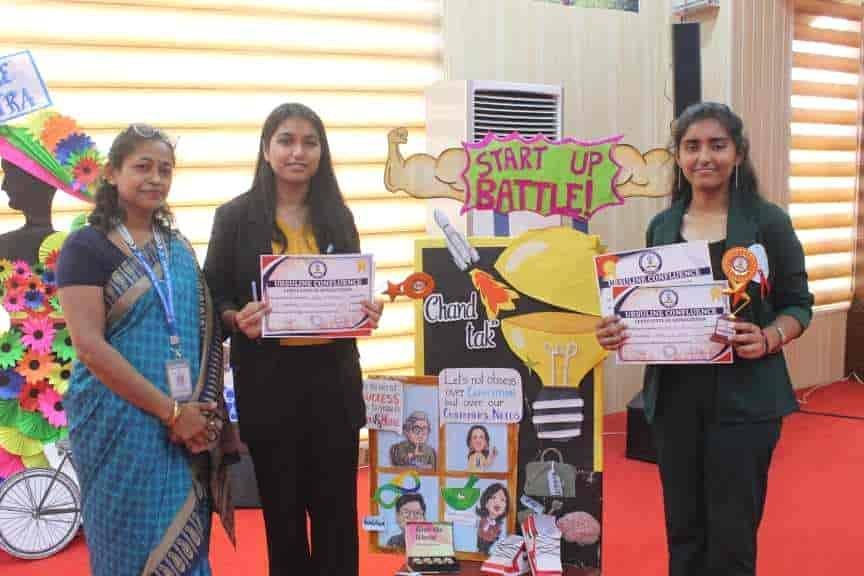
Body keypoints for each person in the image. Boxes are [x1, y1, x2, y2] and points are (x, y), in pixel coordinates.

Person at [595, 102, 813, 576]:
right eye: (692, 146)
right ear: (678, 156)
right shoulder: (662, 226)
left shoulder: (767, 222)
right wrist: (619, 330)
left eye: (717, 145)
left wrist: (770, 336)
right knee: (684, 532)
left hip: (746, 402)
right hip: (675, 402)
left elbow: (799, 304)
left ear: (738, 153)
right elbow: (648, 305)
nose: (704, 157)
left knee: (733, 538)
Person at [203, 102, 383, 576]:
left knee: (336, 514)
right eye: (286, 140)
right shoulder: (234, 217)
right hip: (269, 384)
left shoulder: (338, 216)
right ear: (266, 149)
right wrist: (235, 317)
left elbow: (351, 286)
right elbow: (213, 295)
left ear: (322, 152)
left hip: (332, 383)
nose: (297, 152)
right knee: (283, 517)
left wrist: (365, 310)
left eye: (309, 142)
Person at [56, 125, 234, 575]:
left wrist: (194, 414)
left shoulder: (177, 248)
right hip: (118, 421)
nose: (155, 178)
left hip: (186, 421)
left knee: (186, 541)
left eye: (165, 170)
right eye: (143, 167)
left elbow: (203, 330)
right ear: (112, 173)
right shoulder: (85, 247)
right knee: (125, 541)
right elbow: (89, 347)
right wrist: (170, 413)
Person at [476, 483, 510, 555]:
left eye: (502, 500)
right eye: (493, 497)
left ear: (505, 508)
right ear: (486, 503)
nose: (497, 502)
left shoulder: (501, 525)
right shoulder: (482, 520)